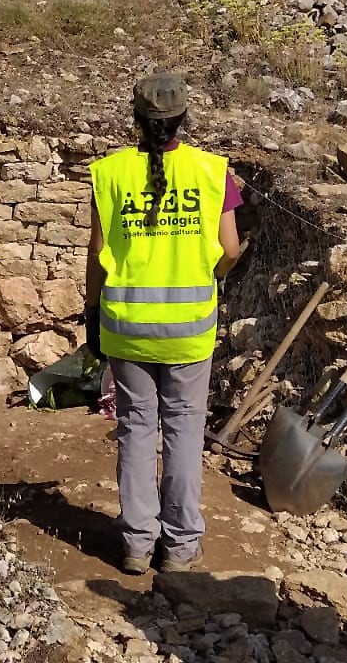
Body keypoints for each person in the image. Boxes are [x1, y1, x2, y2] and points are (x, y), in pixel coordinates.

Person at [84, 72, 243, 575]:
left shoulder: (108, 174)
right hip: (189, 331)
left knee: (135, 429)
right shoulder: (213, 172)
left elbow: (96, 252)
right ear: (182, 119)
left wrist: (91, 312)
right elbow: (231, 249)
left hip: (126, 327)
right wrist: (212, 274)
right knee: (183, 430)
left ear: (136, 118)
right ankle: (178, 547)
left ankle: (135, 543)